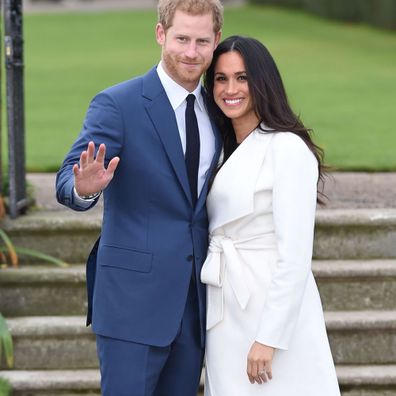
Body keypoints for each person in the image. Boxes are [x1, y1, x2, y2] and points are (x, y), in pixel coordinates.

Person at [56, 0, 223, 394]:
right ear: (160, 34)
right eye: (181, 38)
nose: (191, 52)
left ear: (216, 41)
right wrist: (83, 188)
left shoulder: (219, 108)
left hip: (195, 305)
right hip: (132, 305)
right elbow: (67, 179)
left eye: (202, 41)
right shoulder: (119, 104)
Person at [200, 35, 340, 395]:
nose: (230, 89)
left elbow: (294, 256)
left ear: (263, 82)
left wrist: (269, 337)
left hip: (271, 312)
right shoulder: (218, 151)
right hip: (225, 308)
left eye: (242, 78)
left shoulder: (287, 148)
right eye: (221, 78)